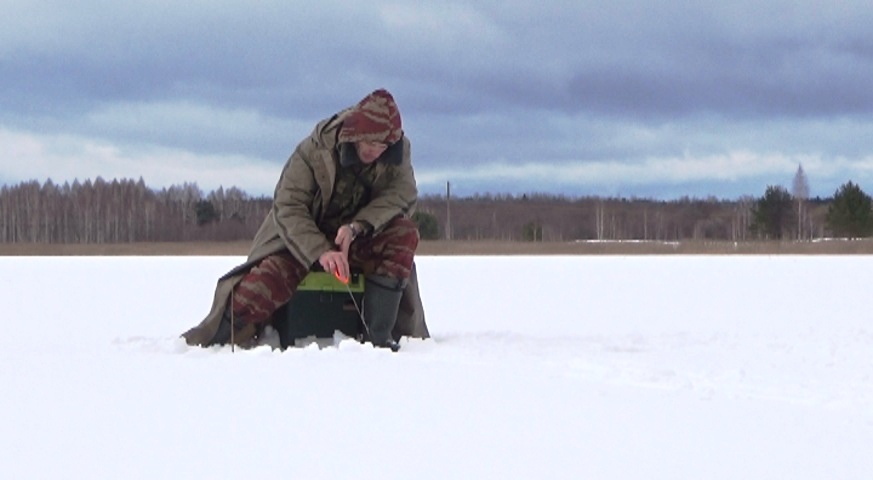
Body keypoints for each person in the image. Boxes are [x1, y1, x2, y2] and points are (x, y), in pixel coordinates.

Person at [182, 89, 428, 351]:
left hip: (356, 242)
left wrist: (356, 228)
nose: (375, 151)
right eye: (370, 143)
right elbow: (288, 206)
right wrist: (321, 251)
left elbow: (402, 195)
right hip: (300, 244)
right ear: (354, 134)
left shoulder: (398, 150)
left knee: (404, 233)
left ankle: (379, 338)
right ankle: (214, 342)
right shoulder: (315, 150)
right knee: (258, 289)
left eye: (382, 146)